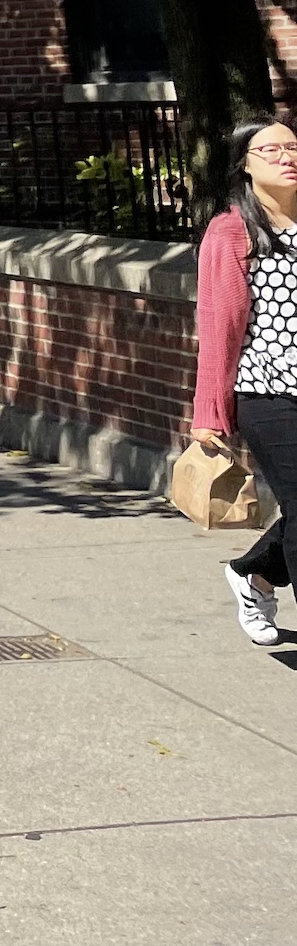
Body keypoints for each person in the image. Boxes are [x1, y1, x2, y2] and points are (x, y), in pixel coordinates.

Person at [194, 115, 297, 647]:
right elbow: (218, 326)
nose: (287, 157)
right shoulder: (232, 231)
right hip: (270, 396)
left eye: (293, 147)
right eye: (272, 150)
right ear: (245, 165)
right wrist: (209, 414)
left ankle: (252, 574)